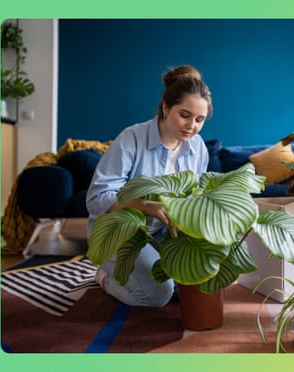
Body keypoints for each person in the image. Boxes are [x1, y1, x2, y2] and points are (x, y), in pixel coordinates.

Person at [86, 65, 213, 307]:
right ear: (166, 107)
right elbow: (96, 199)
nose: (192, 126)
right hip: (119, 233)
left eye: (200, 120)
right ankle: (103, 277)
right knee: (159, 294)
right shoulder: (131, 139)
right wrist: (144, 205)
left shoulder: (198, 147)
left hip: (163, 235)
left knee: (204, 278)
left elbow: (194, 199)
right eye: (184, 115)